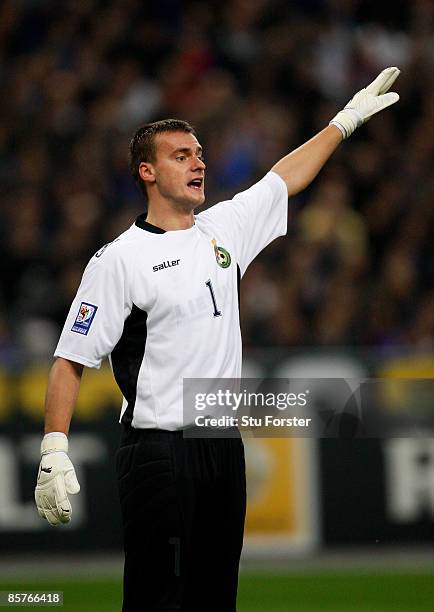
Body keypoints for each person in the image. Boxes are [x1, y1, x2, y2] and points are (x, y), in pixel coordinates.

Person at [34, 67, 400, 611]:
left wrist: (343, 123)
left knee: (215, 600)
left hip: (219, 444)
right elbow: (71, 358)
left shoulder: (223, 229)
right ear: (148, 172)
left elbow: (284, 177)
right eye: (180, 154)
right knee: (158, 601)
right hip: (157, 450)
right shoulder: (119, 260)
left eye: (200, 152)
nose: (198, 161)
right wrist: (54, 449)